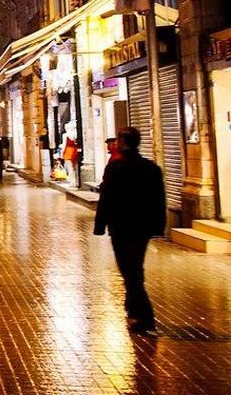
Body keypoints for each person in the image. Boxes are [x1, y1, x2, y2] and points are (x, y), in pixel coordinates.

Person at [95, 127, 166, 336]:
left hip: (121, 227)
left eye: (118, 139)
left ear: (123, 142)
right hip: (142, 228)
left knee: (131, 272)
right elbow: (159, 199)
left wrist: (100, 226)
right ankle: (133, 309)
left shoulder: (116, 168)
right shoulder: (151, 168)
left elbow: (105, 199)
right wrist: (158, 226)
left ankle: (146, 318)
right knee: (135, 269)